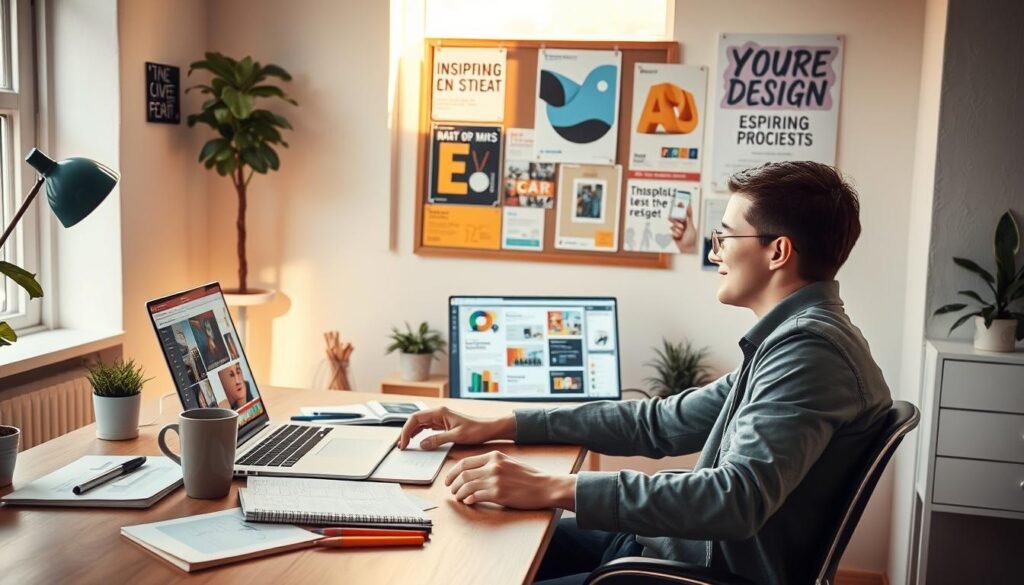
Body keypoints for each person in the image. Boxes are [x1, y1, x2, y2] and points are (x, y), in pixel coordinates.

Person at [399, 161, 893, 585]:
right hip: (671, 547)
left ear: (778, 251)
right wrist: (503, 424)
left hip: (690, 572)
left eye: (725, 236)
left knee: (483, 559)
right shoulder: (795, 339)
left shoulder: (809, 352)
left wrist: (551, 488)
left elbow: (734, 500)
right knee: (482, 541)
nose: (715, 251)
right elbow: (658, 423)